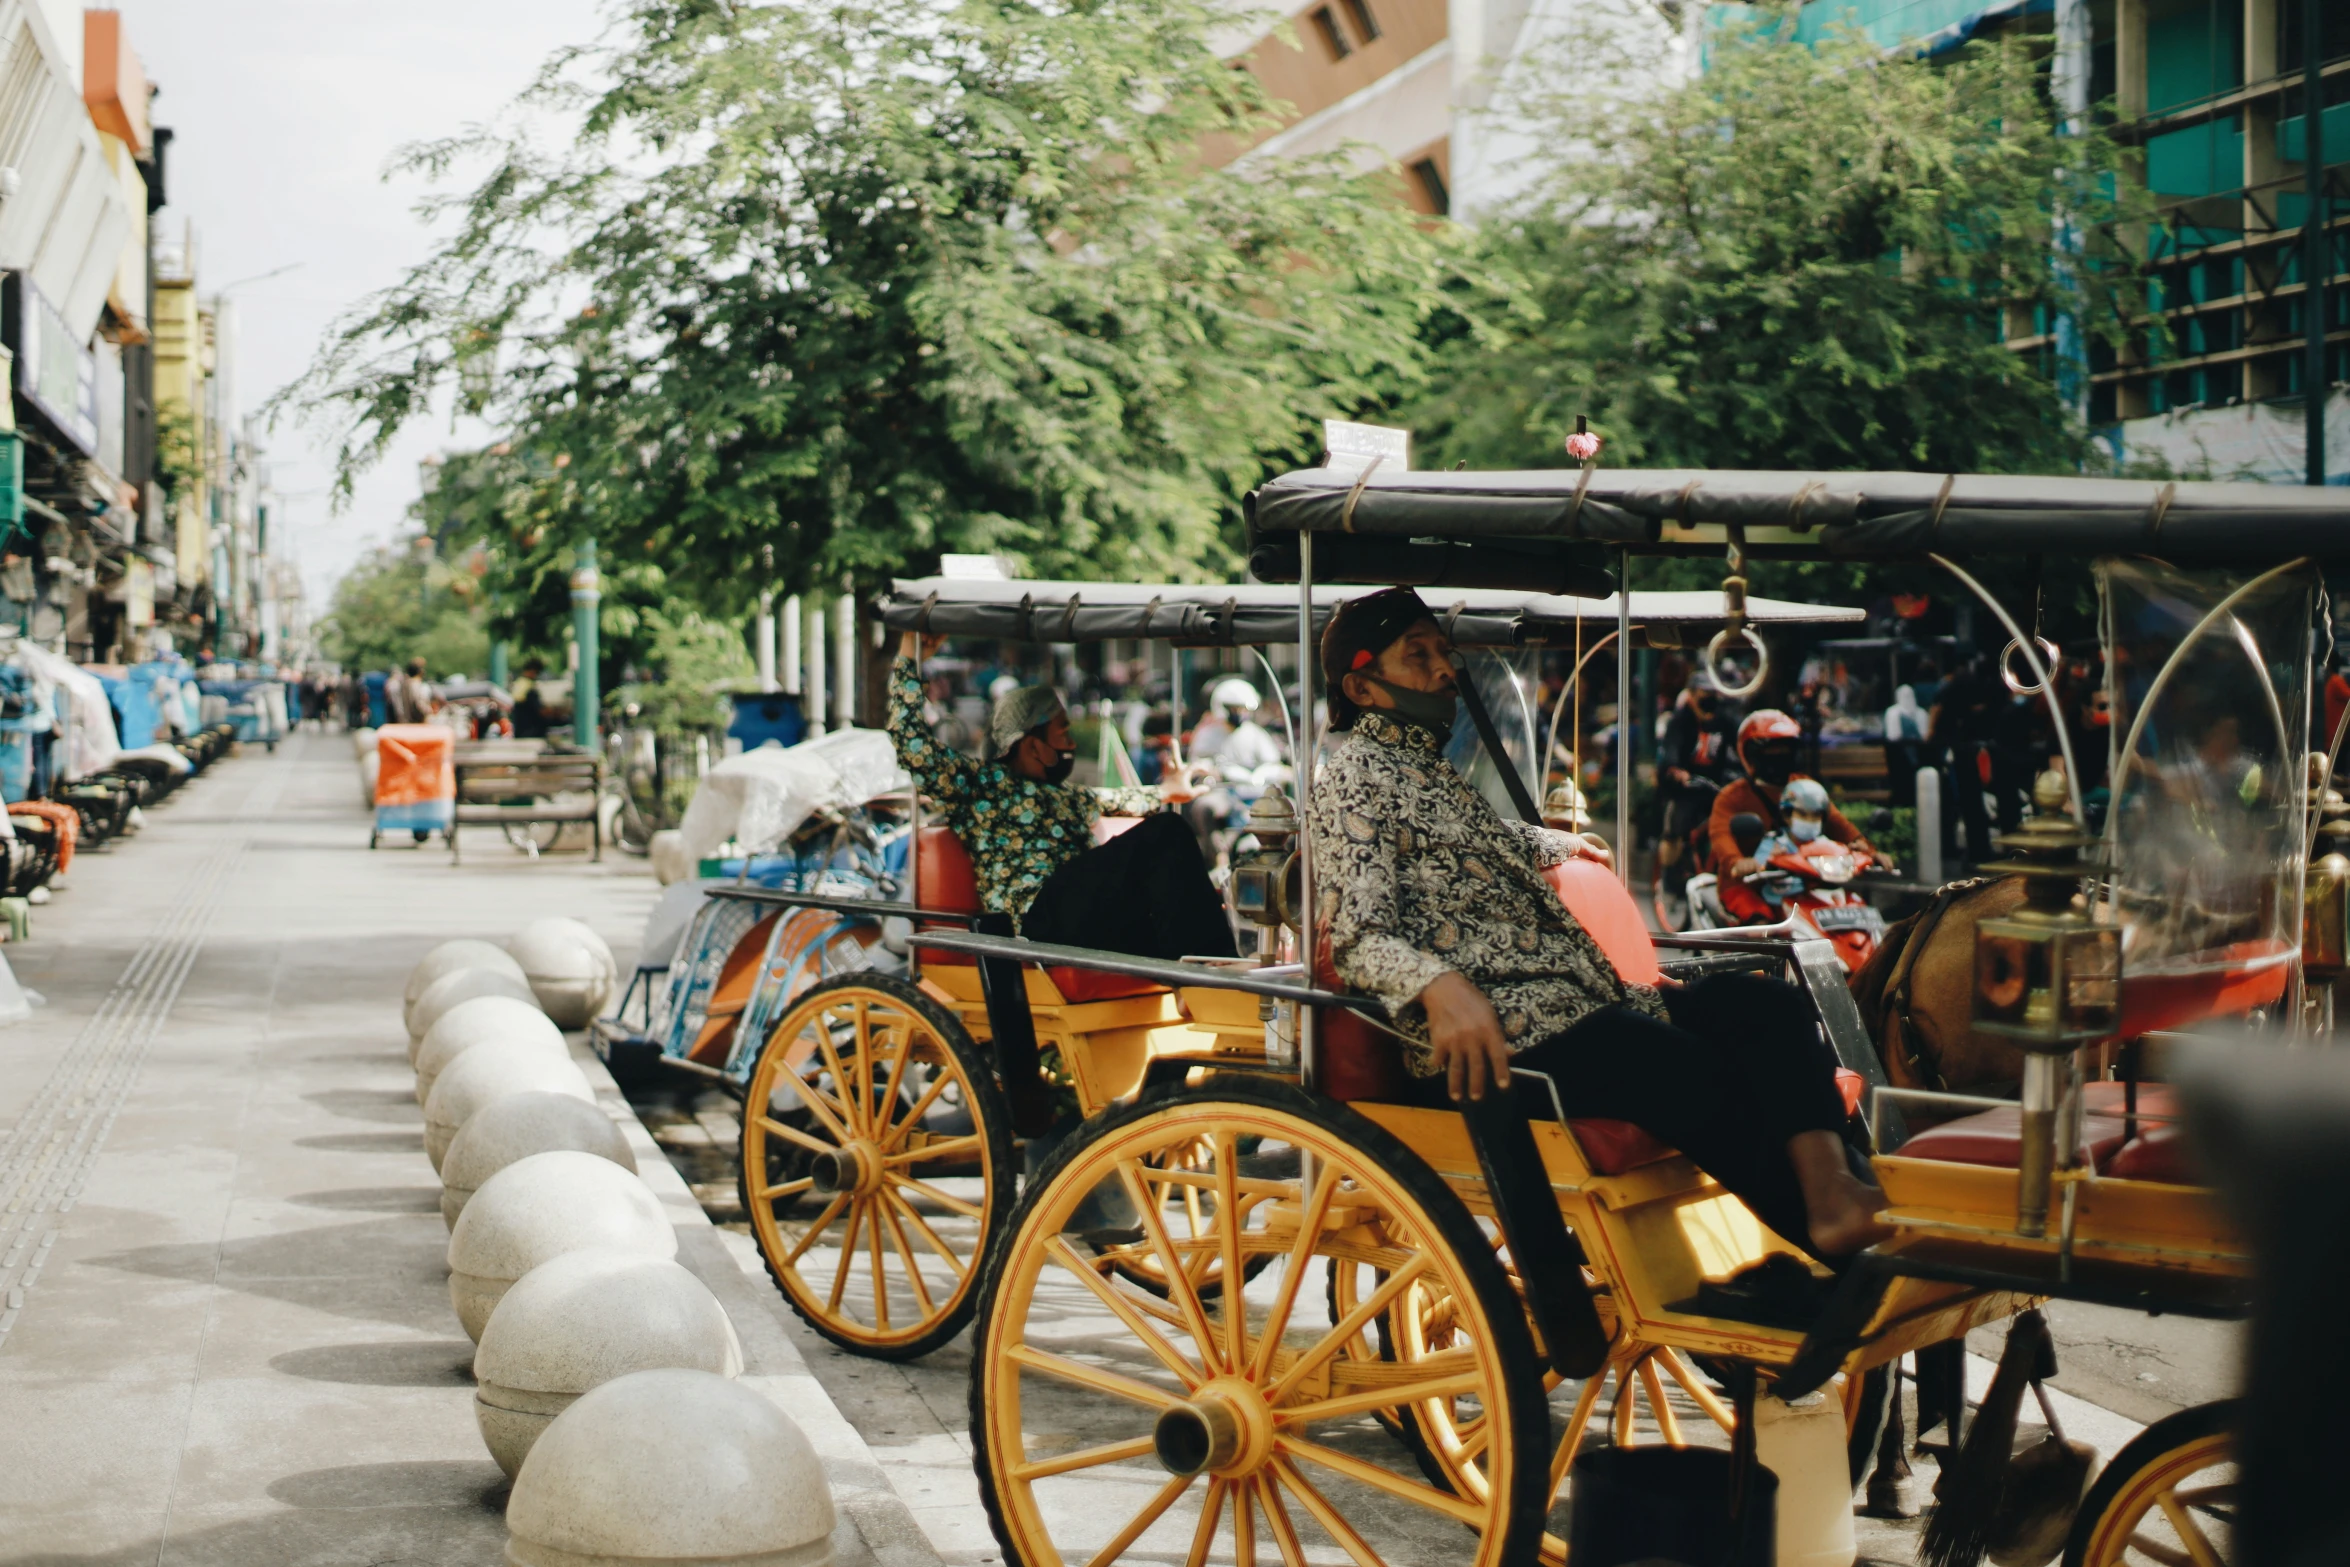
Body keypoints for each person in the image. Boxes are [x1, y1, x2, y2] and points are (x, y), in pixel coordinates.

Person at [1307, 588, 1887, 1258]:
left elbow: (1478, 840)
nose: (1445, 668)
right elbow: (1357, 935)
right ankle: (1834, 1248)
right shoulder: (1352, 781)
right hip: (1497, 1035)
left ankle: (1834, 1194)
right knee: (1683, 1067)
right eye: (1419, 655)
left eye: (1444, 649)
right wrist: (1439, 985)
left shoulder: (1427, 771)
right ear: (1362, 684)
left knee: (1766, 1006)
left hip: (1569, 1004)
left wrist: (1563, 844)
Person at [888, 632, 1235, 963]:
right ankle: (1211, 971)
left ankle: (1208, 978)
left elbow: (1118, 798)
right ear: (1033, 745)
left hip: (1082, 918)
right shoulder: (981, 785)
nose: (1070, 745)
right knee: (1167, 831)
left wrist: (1167, 790)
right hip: (1039, 918)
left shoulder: (1069, 797)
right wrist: (908, 655)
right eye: (1063, 734)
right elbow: (912, 746)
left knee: (1172, 897)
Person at [1709, 709, 1878, 925]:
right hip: (1747, 885)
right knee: (1763, 925)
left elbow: (1836, 822)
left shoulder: (1805, 786)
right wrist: (1739, 862)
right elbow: (1721, 836)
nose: (1779, 756)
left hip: (1802, 885)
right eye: (1772, 751)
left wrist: (1867, 849)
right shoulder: (1731, 797)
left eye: (1785, 750)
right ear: (1753, 754)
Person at [1654, 672, 1739, 925]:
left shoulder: (1723, 720)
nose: (1709, 698)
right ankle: (1668, 884)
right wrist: (1676, 770)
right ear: (1692, 695)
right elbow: (1670, 749)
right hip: (1684, 788)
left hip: (1713, 787)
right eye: (1704, 693)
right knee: (1676, 833)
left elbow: (1740, 743)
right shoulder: (1680, 720)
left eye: (1713, 693)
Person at [511, 659, 552, 740]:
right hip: (531, 731)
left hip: (519, 730)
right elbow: (540, 710)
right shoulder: (529, 687)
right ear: (533, 671)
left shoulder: (519, 683)